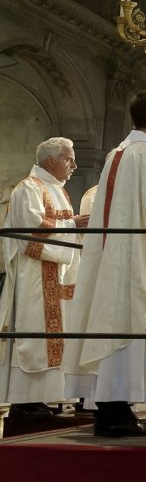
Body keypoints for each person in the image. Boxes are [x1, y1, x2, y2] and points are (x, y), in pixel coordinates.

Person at [62, 90, 146, 437]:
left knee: (110, 324)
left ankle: (111, 409)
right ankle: (116, 413)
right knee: (125, 329)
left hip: (109, 256)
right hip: (131, 259)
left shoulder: (119, 152)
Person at [0, 138, 85, 418]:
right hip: (34, 277)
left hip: (55, 273)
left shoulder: (56, 190)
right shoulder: (29, 188)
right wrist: (73, 224)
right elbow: (31, 232)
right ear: (52, 160)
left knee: (53, 337)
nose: (73, 165)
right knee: (34, 338)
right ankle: (24, 402)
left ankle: (42, 398)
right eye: (68, 159)